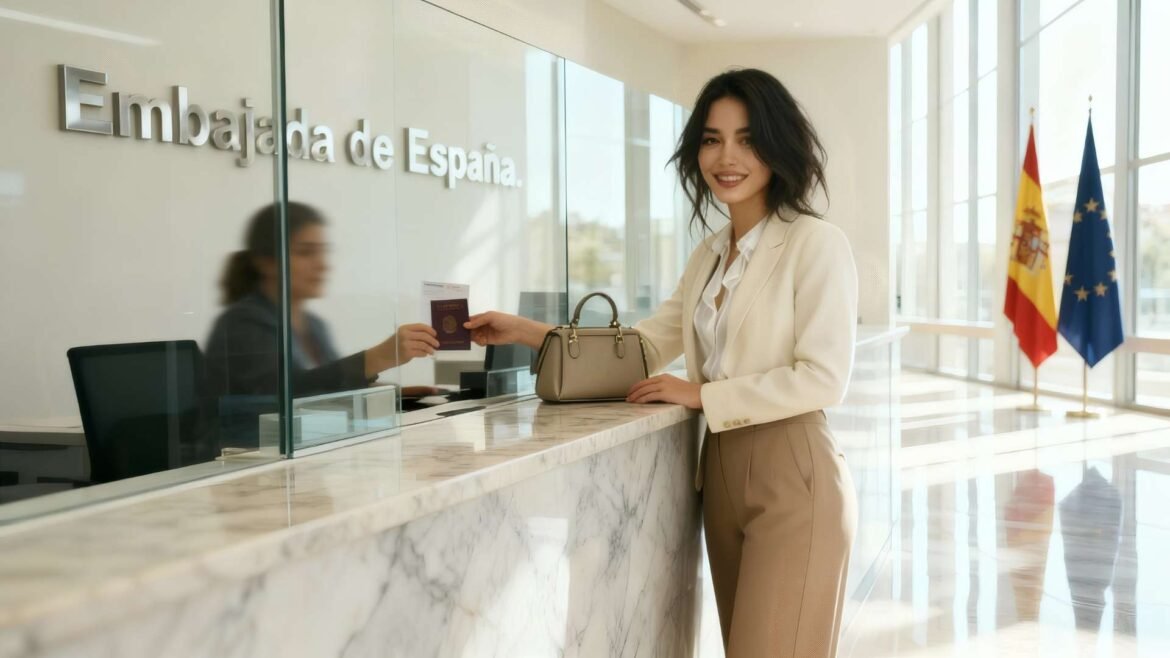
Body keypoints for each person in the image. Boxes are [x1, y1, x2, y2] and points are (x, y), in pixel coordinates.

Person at [464, 68, 858, 657]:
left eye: (747, 139)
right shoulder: (707, 256)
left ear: (778, 146)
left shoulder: (815, 244)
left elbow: (825, 377)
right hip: (718, 473)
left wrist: (703, 395)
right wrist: (529, 333)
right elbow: (642, 347)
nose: (726, 156)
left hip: (793, 471)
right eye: (711, 138)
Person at [205, 201, 439, 446]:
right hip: (252, 462)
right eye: (306, 252)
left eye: (323, 252)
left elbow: (327, 389)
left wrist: (385, 393)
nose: (322, 264)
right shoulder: (243, 323)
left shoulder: (314, 325)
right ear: (266, 261)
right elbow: (287, 398)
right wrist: (379, 356)